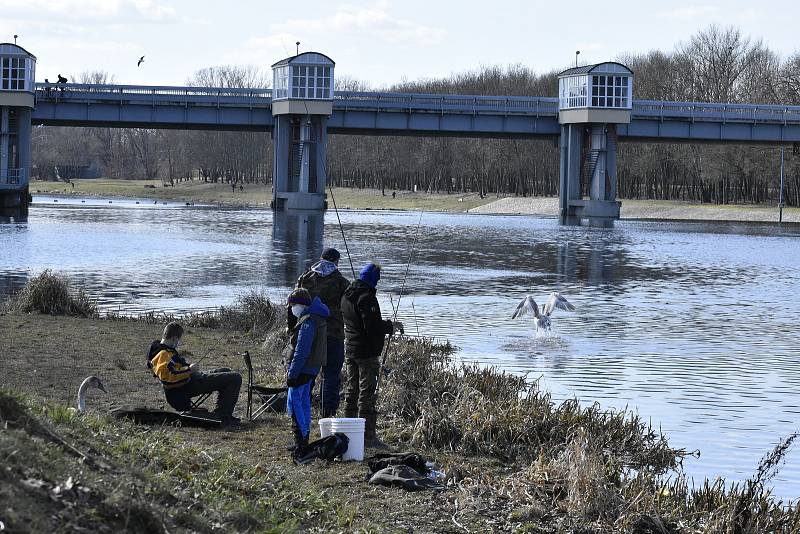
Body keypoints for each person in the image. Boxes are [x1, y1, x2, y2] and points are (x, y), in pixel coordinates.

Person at [341, 263, 403, 448]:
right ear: (374, 279)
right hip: (366, 353)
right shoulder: (367, 298)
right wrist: (390, 327)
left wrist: (385, 324)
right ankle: (368, 438)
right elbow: (372, 327)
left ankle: (348, 432)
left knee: (351, 390)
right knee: (367, 393)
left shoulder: (347, 295)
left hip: (350, 349)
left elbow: (361, 322)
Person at [147, 321, 242, 425]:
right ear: (174, 338)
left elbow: (174, 369)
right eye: (178, 340)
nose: (178, 343)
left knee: (225, 371)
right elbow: (167, 378)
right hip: (185, 387)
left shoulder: (165, 350)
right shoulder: (163, 354)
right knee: (236, 378)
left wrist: (187, 368)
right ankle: (223, 416)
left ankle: (221, 411)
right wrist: (189, 370)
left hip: (189, 380)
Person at [296, 247, 350, 418]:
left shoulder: (305, 277)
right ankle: (328, 413)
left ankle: (303, 407)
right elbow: (351, 304)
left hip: (310, 332)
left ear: (321, 258)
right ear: (336, 261)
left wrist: (294, 329)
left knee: (308, 372)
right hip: (333, 333)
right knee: (332, 374)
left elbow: (294, 302)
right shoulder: (340, 281)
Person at [285, 288, 330, 450]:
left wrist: (292, 373)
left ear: (301, 305)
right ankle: (303, 438)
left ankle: (300, 442)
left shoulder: (308, 322)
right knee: (304, 402)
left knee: (295, 404)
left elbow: (301, 351)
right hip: (311, 368)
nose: (291, 309)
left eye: (293, 305)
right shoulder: (317, 318)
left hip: (302, 369)